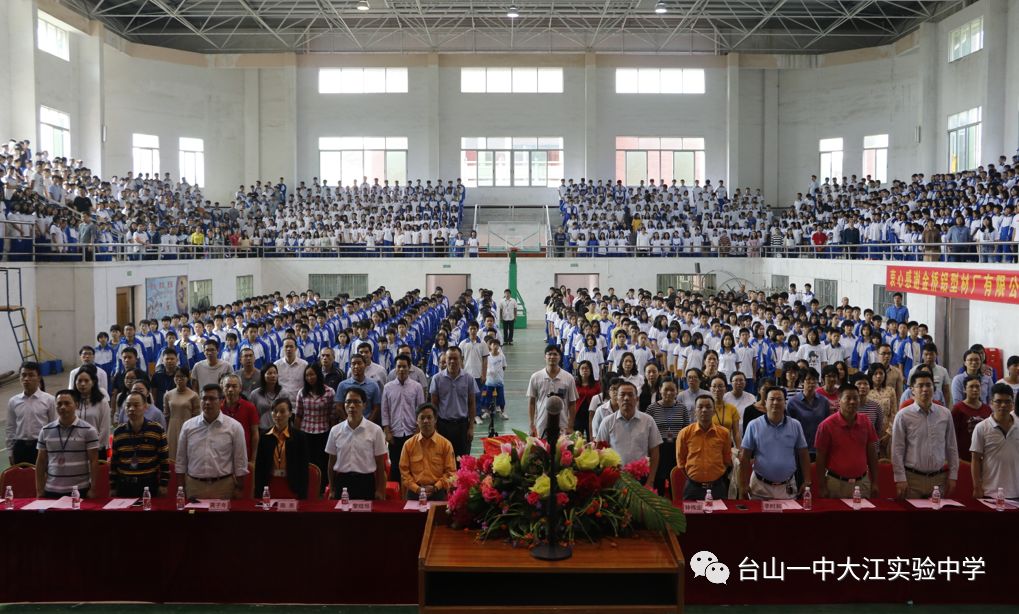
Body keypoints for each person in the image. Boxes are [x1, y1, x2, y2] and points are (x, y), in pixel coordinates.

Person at [890, 371, 960, 499]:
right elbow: (897, 450)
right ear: (912, 390)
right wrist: (900, 478)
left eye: (928, 385)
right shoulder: (903, 415)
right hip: (912, 479)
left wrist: (953, 476)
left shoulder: (945, 414)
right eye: (920, 385)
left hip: (939, 479)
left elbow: (952, 447)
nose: (925, 389)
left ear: (934, 388)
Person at [175, 384, 250, 500]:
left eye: (212, 398)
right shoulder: (188, 426)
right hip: (194, 485)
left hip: (223, 486)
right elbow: (180, 461)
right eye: (204, 398)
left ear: (221, 401)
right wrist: (181, 488)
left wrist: (240, 488)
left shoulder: (234, 427)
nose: (207, 402)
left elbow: (240, 462)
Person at [738, 388, 811, 500]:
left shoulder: (795, 425)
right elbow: (745, 456)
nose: (775, 403)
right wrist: (743, 484)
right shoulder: (754, 425)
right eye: (772, 399)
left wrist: (807, 480)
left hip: (787, 486)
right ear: (765, 402)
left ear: (785, 403)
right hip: (760, 487)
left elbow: (803, 454)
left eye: (779, 399)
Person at [814, 385, 880, 498]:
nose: (853, 402)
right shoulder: (826, 426)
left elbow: (872, 454)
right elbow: (820, 458)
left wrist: (874, 482)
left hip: (862, 483)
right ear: (839, 400)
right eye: (848, 398)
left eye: (856, 398)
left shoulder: (866, 422)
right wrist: (822, 486)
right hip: (836, 484)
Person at [35, 390, 100, 498]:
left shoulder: (89, 430)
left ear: (76, 405)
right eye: (59, 404)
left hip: (79, 491)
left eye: (67, 403)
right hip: (51, 491)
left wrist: (93, 489)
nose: (63, 407)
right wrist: (39, 489)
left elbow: (94, 461)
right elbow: (41, 462)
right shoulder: (45, 430)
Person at [325, 388, 388, 501]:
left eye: (356, 402)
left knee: (365, 518)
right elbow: (331, 463)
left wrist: (380, 490)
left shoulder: (375, 430)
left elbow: (380, 464)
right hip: (342, 483)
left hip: (366, 483)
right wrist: (332, 488)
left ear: (364, 405)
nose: (352, 406)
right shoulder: (335, 430)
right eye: (348, 402)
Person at [596, 383, 661, 487]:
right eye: (622, 395)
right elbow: (599, 451)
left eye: (630, 395)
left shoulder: (648, 421)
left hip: (641, 478)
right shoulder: (607, 422)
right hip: (615, 479)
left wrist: (650, 481)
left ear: (637, 399)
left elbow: (655, 453)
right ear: (617, 399)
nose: (626, 398)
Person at [110, 391, 170, 498]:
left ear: (145, 407)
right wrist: (112, 486)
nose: (131, 408)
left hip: (148, 484)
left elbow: (164, 460)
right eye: (128, 405)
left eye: (136, 405)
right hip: (124, 484)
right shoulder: (119, 432)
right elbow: (114, 462)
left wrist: (163, 484)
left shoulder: (157, 429)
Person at [677, 394, 732, 501]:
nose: (704, 410)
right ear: (694, 411)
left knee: (721, 517)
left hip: (717, 487)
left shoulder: (724, 433)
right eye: (700, 407)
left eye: (708, 407)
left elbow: (727, 461)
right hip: (693, 488)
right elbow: (681, 463)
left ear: (714, 411)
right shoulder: (684, 433)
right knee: (691, 518)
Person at [254, 398, 311, 499]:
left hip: (292, 485)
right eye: (275, 411)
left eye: (282, 411)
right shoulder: (264, 436)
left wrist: (303, 495)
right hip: (269, 484)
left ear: (290, 414)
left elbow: (303, 469)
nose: (278, 415)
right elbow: (259, 467)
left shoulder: (299, 437)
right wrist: (258, 493)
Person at [970, 383, 1019, 499]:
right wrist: (977, 487)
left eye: (1007, 402)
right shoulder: (981, 428)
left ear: (1012, 404)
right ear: (991, 403)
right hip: (990, 492)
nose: (1003, 405)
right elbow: (975, 459)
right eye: (998, 401)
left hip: (1017, 492)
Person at [399, 403, 457, 501]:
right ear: (417, 421)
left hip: (438, 492)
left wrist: (435, 487)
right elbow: (404, 472)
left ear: (435, 420)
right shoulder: (408, 445)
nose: (426, 421)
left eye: (429, 417)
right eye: (422, 418)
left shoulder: (446, 445)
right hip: (414, 492)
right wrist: (417, 489)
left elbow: (450, 472)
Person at [382, 355, 426, 483]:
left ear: (409, 368)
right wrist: (387, 431)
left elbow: (421, 410)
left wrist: (418, 430)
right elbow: (385, 410)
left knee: (414, 464)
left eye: (404, 366)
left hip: (412, 432)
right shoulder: (388, 387)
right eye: (399, 366)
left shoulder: (417, 387)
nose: (401, 369)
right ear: (395, 369)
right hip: (395, 433)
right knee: (396, 465)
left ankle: (413, 492)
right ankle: (398, 497)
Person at [429, 347, 478, 459]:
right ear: (445, 360)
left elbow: (472, 403)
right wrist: (434, 427)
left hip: (462, 426)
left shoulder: (469, 379)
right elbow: (434, 405)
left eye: (455, 358)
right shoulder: (437, 379)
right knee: (443, 459)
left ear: (461, 359)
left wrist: (471, 427)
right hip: (443, 426)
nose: (452, 361)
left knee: (463, 461)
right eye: (449, 358)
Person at [645, 377, 689, 497]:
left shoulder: (682, 408)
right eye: (666, 389)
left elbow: (686, 431)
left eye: (672, 390)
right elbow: (647, 432)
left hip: (677, 448)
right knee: (658, 480)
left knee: (676, 480)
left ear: (677, 391)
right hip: (658, 449)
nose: (669, 393)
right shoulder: (652, 408)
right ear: (660, 390)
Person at [295, 363, 337, 489]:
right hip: (305, 432)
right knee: (307, 462)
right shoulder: (302, 393)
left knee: (323, 462)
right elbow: (298, 416)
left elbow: (332, 416)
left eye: (312, 374)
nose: (309, 378)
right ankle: (308, 487)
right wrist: (296, 436)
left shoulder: (329, 392)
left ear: (318, 375)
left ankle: (322, 487)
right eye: (307, 375)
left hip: (323, 432)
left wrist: (333, 436)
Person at [7, 362, 57, 465]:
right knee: (22, 479)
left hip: (41, 447)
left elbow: (54, 427)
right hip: (20, 447)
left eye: (31, 375)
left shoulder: (49, 400)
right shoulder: (13, 401)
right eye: (24, 375)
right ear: (19, 378)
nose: (26, 378)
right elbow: (10, 428)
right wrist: (10, 451)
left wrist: (52, 450)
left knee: (42, 478)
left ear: (38, 378)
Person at [526, 344, 579, 439]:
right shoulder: (536, 377)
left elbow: (572, 403)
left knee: (561, 451)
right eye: (549, 354)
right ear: (545, 357)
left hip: (562, 424)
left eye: (555, 354)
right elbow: (532, 403)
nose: (552, 357)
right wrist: (531, 424)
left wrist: (570, 426)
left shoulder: (568, 378)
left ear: (560, 357)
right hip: (542, 424)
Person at [786, 367, 830, 459]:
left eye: (814, 379)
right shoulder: (793, 402)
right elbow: (789, 427)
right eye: (808, 379)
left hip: (819, 447)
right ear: (802, 382)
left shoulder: (824, 401)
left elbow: (826, 425)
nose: (812, 382)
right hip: (799, 448)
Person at [72, 366, 111, 460]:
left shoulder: (102, 402)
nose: (82, 384)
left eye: (86, 381)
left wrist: (96, 446)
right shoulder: (71, 401)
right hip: (74, 448)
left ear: (93, 382)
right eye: (79, 381)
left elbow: (105, 429)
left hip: (96, 449)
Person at [952, 375, 992, 462]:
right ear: (964, 389)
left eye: (977, 386)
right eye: (971, 387)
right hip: (964, 457)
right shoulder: (958, 409)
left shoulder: (987, 409)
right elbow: (952, 435)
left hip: (984, 456)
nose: (975, 389)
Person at [163, 366, 199, 461]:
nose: (179, 379)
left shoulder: (194, 395)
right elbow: (166, 415)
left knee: (187, 456)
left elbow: (197, 416)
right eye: (177, 376)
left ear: (188, 378)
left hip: (188, 428)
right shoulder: (168, 395)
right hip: (172, 428)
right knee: (172, 456)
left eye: (182, 376)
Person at [221, 374, 260, 459]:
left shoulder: (250, 407)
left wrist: (253, 459)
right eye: (227, 386)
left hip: (244, 455)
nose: (230, 389)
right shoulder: (217, 408)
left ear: (240, 388)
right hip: (222, 456)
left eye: (234, 386)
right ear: (222, 388)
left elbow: (255, 434)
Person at [337, 355, 382, 422]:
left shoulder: (373, 385)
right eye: (353, 364)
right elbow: (339, 407)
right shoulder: (342, 385)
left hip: (367, 423)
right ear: (350, 366)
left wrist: (367, 423)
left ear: (365, 365)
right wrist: (348, 422)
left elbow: (377, 407)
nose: (356, 366)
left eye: (359, 363)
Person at [482, 339, 507, 421]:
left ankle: (503, 412)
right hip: (489, 381)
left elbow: (504, 367)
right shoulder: (487, 356)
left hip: (499, 381)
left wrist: (499, 374)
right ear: (490, 346)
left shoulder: (501, 356)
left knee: (501, 397)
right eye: (493, 344)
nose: (495, 346)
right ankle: (487, 412)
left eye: (497, 345)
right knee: (487, 397)